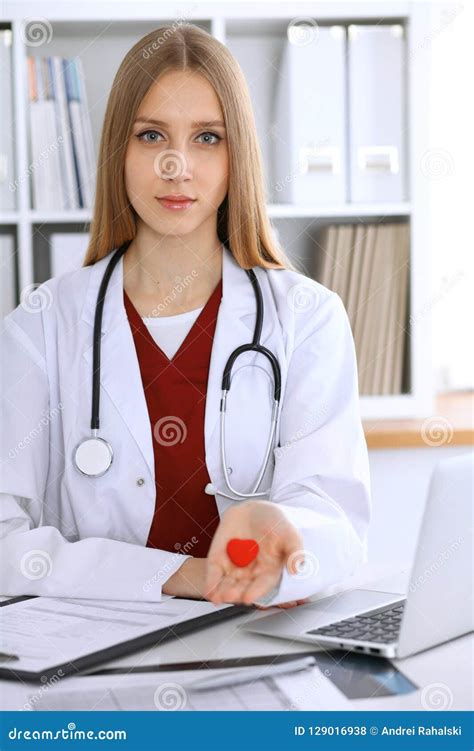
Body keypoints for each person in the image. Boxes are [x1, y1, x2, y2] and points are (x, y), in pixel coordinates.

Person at [0, 24, 370, 610]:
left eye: (207, 138)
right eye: (151, 136)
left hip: (256, 638)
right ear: (119, 150)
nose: (178, 166)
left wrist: (281, 533)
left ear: (237, 155)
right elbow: (4, 542)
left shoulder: (308, 318)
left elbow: (338, 524)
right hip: (91, 650)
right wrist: (182, 576)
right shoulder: (43, 326)